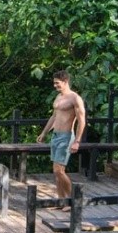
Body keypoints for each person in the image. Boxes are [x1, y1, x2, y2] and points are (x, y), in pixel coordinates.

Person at [36, 70, 87, 207]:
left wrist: (77, 141)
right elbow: (54, 117)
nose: (55, 86)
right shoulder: (58, 97)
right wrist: (44, 133)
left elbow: (82, 121)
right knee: (57, 172)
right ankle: (61, 201)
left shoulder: (75, 98)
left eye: (57, 83)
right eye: (54, 83)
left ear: (65, 82)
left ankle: (73, 200)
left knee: (59, 170)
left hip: (66, 136)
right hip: (55, 136)